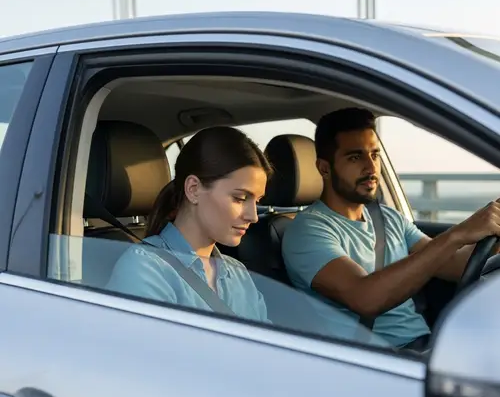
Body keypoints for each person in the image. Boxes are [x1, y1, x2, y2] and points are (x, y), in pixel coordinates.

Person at [282, 108, 500, 351]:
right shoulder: (307, 231)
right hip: (375, 360)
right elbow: (365, 298)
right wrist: (457, 234)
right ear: (324, 168)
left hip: (424, 347)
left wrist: (493, 232)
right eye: (355, 157)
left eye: (374, 155)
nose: (371, 168)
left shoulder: (388, 217)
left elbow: (454, 265)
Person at [107, 126, 273, 322]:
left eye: (258, 201)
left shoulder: (238, 273)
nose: (253, 216)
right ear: (193, 189)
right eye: (240, 198)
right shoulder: (144, 268)